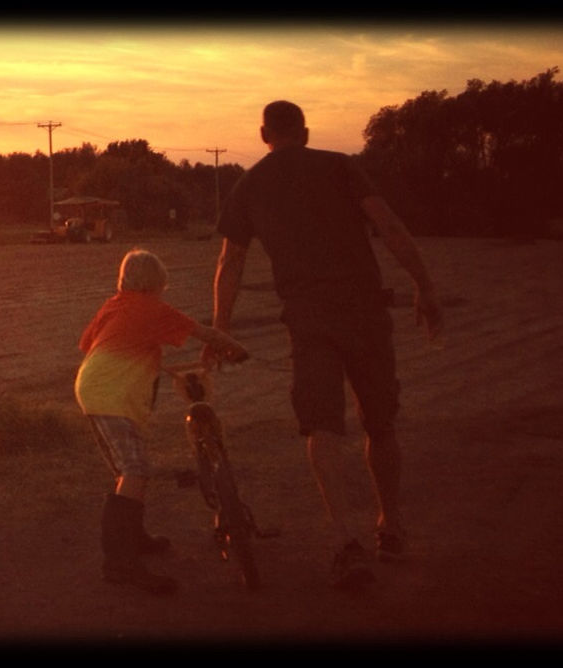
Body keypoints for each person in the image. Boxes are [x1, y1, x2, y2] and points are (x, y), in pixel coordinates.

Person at [205, 100, 443, 589]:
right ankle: (391, 524)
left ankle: (344, 540)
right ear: (306, 132)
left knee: (321, 427)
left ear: (264, 134)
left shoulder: (249, 184)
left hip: (310, 322)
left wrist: (220, 329)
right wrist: (424, 285)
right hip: (365, 314)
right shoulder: (339, 167)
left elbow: (230, 263)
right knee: (380, 423)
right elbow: (390, 226)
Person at [76, 248, 249, 595]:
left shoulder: (114, 305)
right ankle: (120, 563)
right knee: (136, 469)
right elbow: (206, 334)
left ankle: (134, 540)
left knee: (127, 472)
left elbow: (87, 345)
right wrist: (238, 350)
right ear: (157, 282)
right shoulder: (153, 308)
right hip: (111, 395)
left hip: (94, 386)